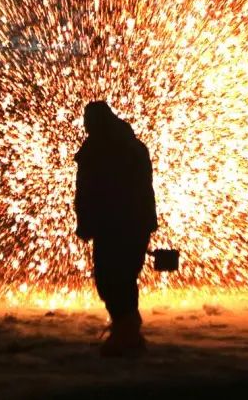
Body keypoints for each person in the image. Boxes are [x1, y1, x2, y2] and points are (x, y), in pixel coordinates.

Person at [74, 101, 158, 357]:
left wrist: (87, 222)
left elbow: (92, 191)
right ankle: (127, 332)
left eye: (89, 120)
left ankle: (127, 335)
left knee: (112, 279)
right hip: (131, 224)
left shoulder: (103, 150)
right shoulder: (130, 146)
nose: (86, 125)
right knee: (121, 278)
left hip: (115, 225)